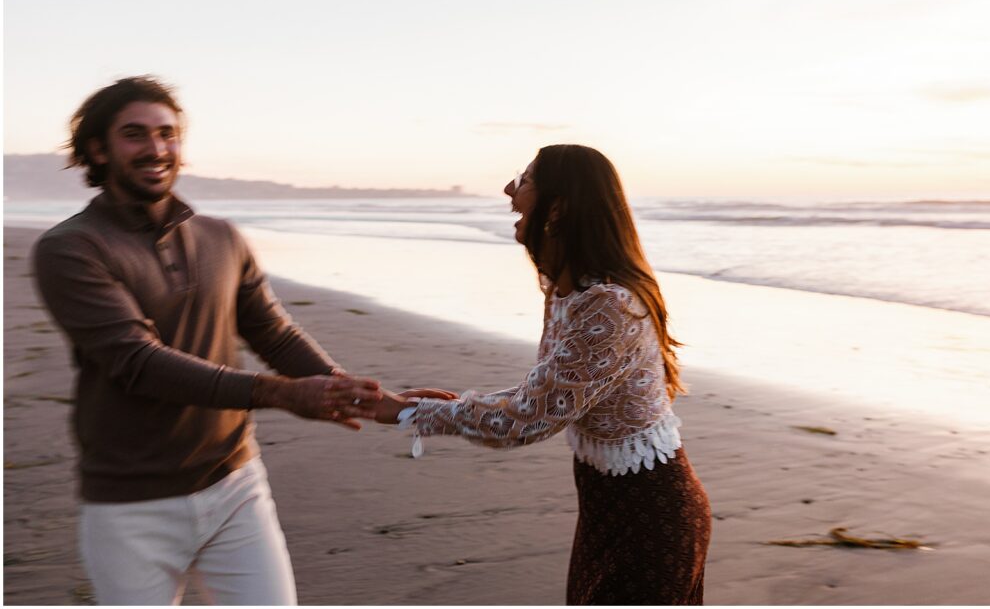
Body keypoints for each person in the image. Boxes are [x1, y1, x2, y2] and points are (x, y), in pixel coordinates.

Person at [31, 76, 447, 605]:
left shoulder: (221, 237)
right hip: (130, 507)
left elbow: (273, 333)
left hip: (235, 488)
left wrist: (376, 403)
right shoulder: (71, 248)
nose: (156, 148)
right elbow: (138, 361)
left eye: (168, 133)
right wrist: (280, 394)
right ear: (98, 148)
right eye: (135, 134)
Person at [375, 144, 712, 605]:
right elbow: (551, 391)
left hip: (651, 516)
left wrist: (413, 413)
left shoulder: (608, 306)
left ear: (560, 207)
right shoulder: (567, 290)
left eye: (526, 179)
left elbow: (528, 420)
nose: (509, 189)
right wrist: (453, 406)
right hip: (608, 507)